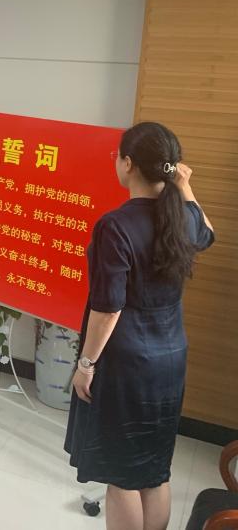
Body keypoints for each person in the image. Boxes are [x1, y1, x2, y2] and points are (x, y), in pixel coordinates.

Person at [65, 122, 215, 530]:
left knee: (121, 476)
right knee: (154, 470)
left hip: (126, 362)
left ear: (128, 164)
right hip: (171, 358)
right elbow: (207, 233)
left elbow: (108, 309)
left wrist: (86, 365)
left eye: (117, 155)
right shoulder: (182, 217)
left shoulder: (115, 225)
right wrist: (184, 187)